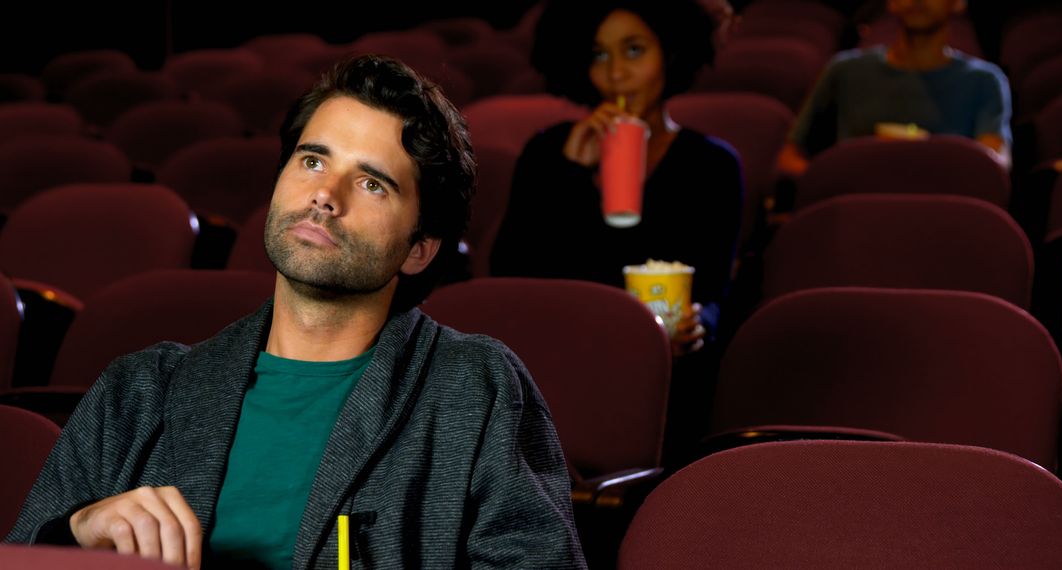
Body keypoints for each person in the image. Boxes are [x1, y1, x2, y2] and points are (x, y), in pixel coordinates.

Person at [5, 54, 586, 569]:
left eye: (373, 183)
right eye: (312, 161)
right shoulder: (138, 390)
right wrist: (75, 534)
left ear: (419, 249)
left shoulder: (472, 387)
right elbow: (28, 552)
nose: (326, 195)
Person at [490, 0, 744, 359]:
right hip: (556, 348)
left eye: (634, 51)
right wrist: (571, 172)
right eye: (599, 55)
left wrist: (699, 324)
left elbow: (713, 293)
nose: (615, 74)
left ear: (670, 53)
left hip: (661, 362)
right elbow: (510, 274)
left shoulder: (712, 164)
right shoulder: (549, 151)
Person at [778, 0, 1013, 176]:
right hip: (854, 207)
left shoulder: (984, 80)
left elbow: (994, 164)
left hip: (941, 212)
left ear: (958, 2)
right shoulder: (844, 70)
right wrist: (833, 178)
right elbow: (788, 156)